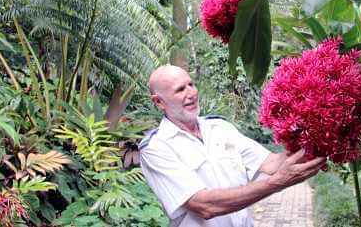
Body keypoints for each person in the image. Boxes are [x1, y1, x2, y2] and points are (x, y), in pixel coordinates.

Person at [139, 65, 326, 227]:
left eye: (191, 84)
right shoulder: (156, 148)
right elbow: (204, 205)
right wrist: (277, 183)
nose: (192, 93)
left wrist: (318, 131)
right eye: (180, 90)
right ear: (158, 102)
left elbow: (271, 163)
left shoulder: (220, 128)